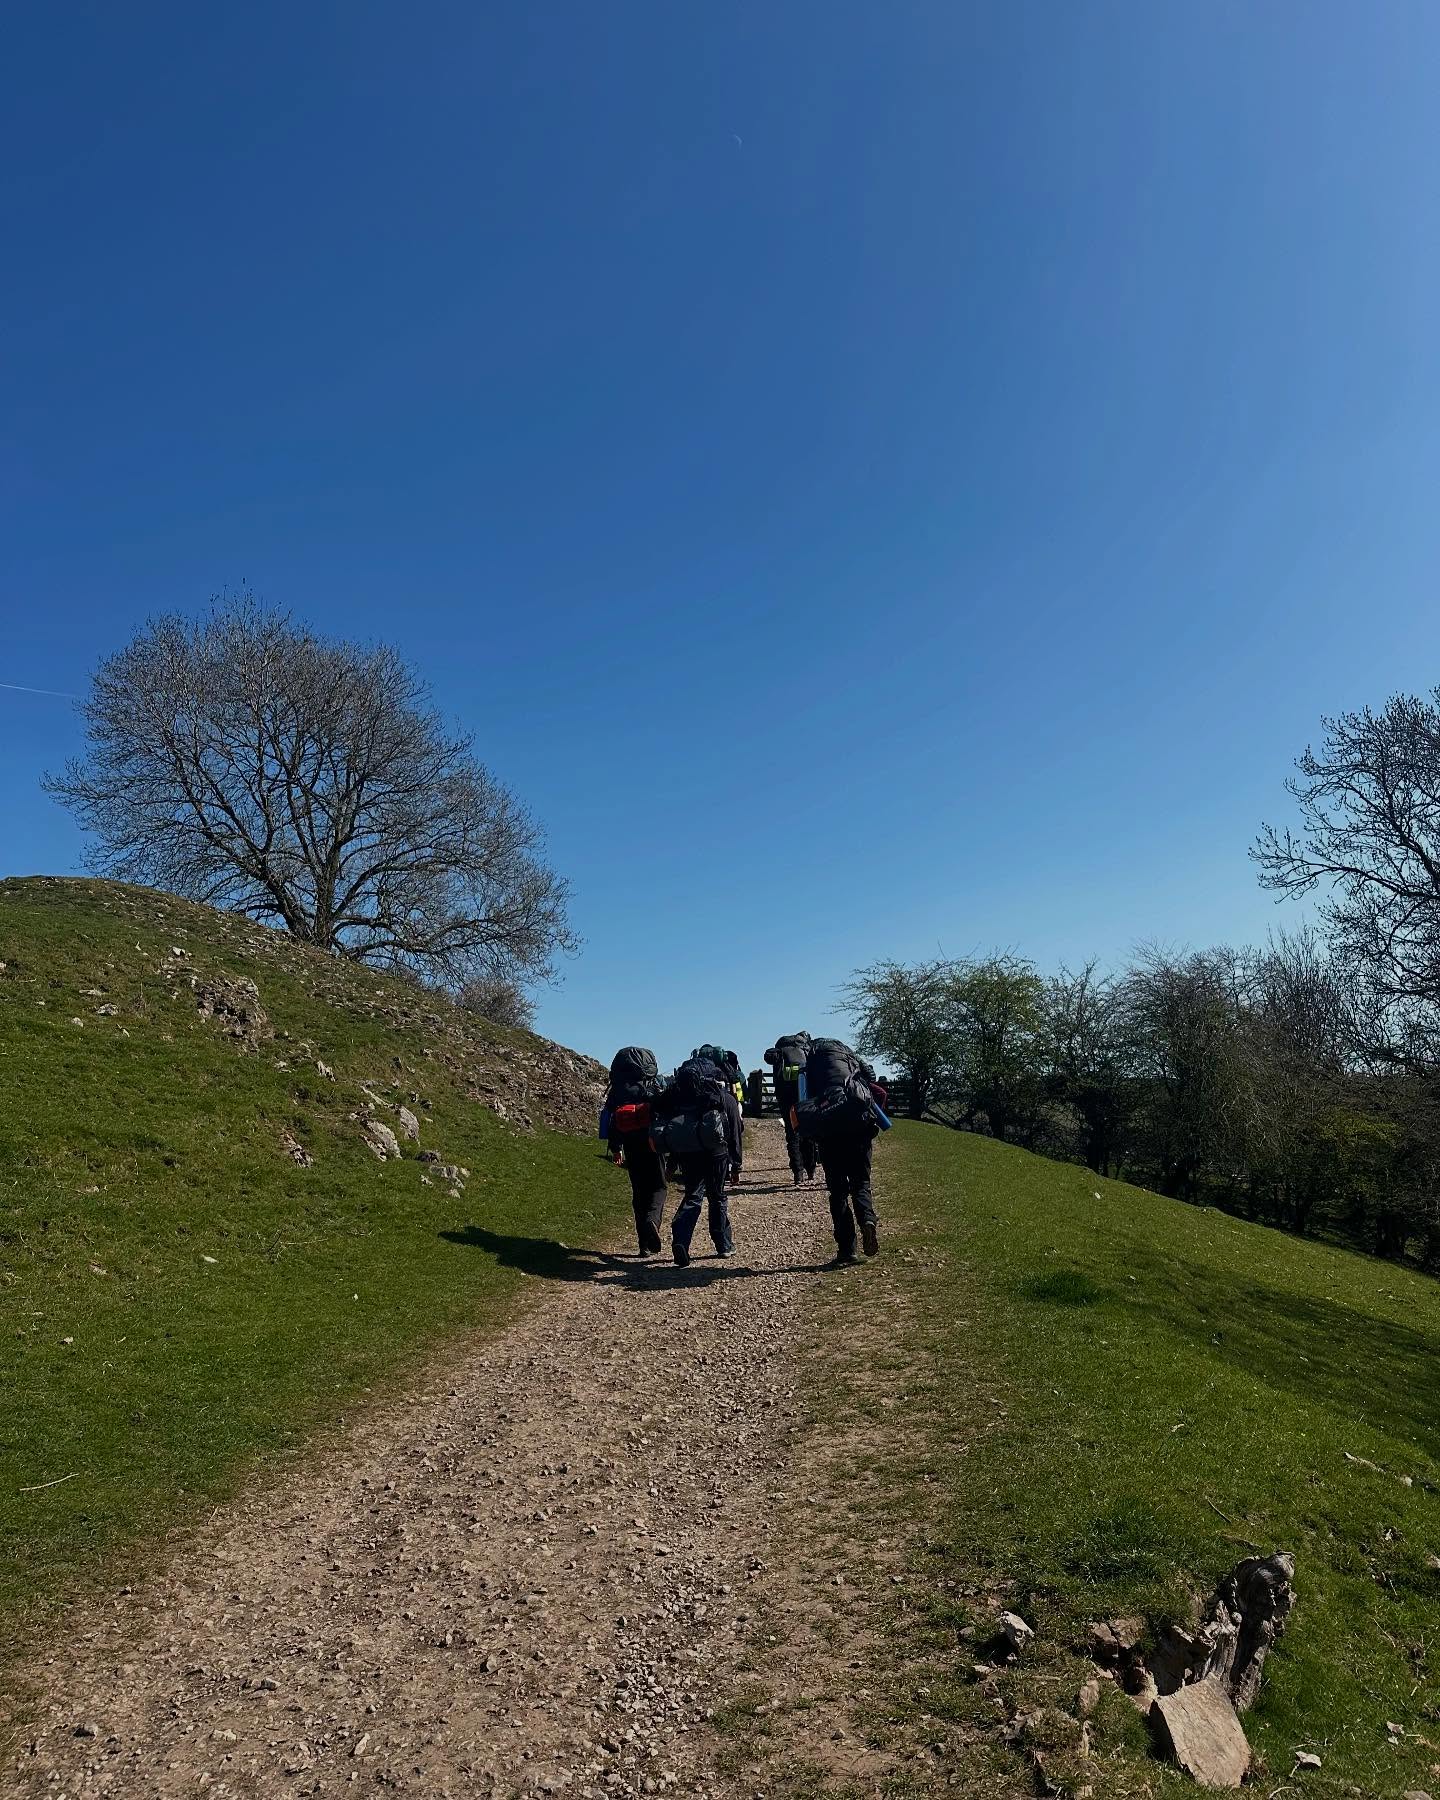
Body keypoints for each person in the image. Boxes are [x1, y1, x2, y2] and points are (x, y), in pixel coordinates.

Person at [654, 1054, 742, 1266]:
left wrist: (672, 1163)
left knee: (692, 1195)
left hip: (688, 1152)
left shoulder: (679, 1098)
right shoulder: (723, 1098)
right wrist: (736, 1165)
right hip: (717, 1152)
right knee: (717, 1197)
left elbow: (672, 1127)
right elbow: (735, 1132)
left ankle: (681, 1241)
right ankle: (723, 1245)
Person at [802, 1036, 882, 1266]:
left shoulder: (810, 1065)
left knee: (838, 1192)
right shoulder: (850, 1057)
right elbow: (872, 1080)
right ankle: (867, 1220)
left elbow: (804, 1100)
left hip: (830, 1133)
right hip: (859, 1127)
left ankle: (847, 1250)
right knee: (861, 1183)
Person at [603, 1046, 668, 1256]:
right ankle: (653, 1221)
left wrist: (616, 1148)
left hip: (630, 1144)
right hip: (652, 1142)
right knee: (659, 1187)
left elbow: (612, 1121)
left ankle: (643, 1245)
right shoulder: (653, 1085)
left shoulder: (617, 1090)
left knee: (639, 1191)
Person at [764, 1030, 816, 1185]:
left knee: (791, 1134)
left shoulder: (780, 1051)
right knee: (808, 1132)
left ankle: (797, 1173)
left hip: (786, 1098)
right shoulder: (806, 1050)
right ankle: (811, 1170)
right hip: (804, 1095)